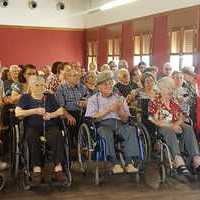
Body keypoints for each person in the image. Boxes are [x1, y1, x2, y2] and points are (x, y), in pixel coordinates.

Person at [85, 70, 140, 174]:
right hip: (102, 124)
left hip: (119, 123)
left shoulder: (119, 98)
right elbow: (92, 118)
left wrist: (119, 110)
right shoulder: (93, 99)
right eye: (105, 84)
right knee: (106, 132)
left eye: (110, 83)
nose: (108, 86)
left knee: (131, 130)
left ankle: (129, 162)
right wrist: (109, 110)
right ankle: (114, 163)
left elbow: (126, 119)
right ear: (99, 87)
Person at [15, 75, 66, 185]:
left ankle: (58, 168)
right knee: (32, 137)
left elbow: (61, 111)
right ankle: (36, 169)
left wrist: (51, 115)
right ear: (31, 86)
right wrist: (34, 111)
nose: (40, 87)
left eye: (42, 85)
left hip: (49, 126)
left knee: (57, 135)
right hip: (33, 127)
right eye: (36, 85)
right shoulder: (25, 98)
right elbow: (18, 113)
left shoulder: (50, 97)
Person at [148, 77, 200, 175]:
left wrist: (177, 124)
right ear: (161, 88)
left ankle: (196, 159)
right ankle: (178, 159)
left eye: (172, 88)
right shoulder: (154, 102)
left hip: (176, 124)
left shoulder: (174, 101)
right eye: (168, 88)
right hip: (162, 127)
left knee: (188, 128)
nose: (171, 91)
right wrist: (172, 126)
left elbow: (182, 116)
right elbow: (153, 119)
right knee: (169, 131)